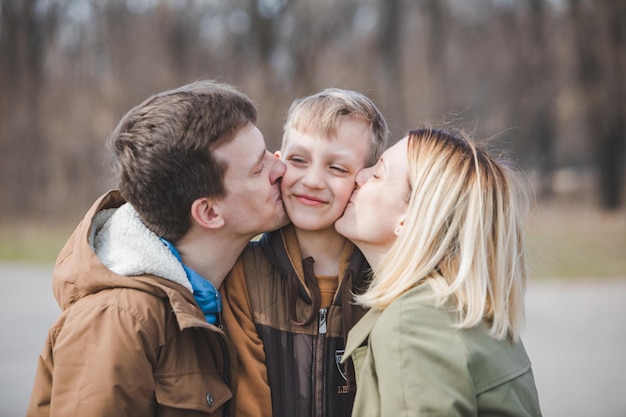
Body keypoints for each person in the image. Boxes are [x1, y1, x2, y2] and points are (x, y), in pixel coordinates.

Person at [26, 80, 289, 417]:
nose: (281, 167)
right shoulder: (118, 323)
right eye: (259, 168)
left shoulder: (230, 291)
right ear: (209, 212)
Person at [335, 127, 543, 416]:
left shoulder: (412, 323)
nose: (359, 176)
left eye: (378, 174)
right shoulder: (464, 310)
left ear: (410, 220)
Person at [221, 88, 388, 417]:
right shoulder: (244, 272)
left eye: (337, 169)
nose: (312, 180)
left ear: (365, 181)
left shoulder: (383, 280)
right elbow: (248, 404)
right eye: (299, 161)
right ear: (279, 162)